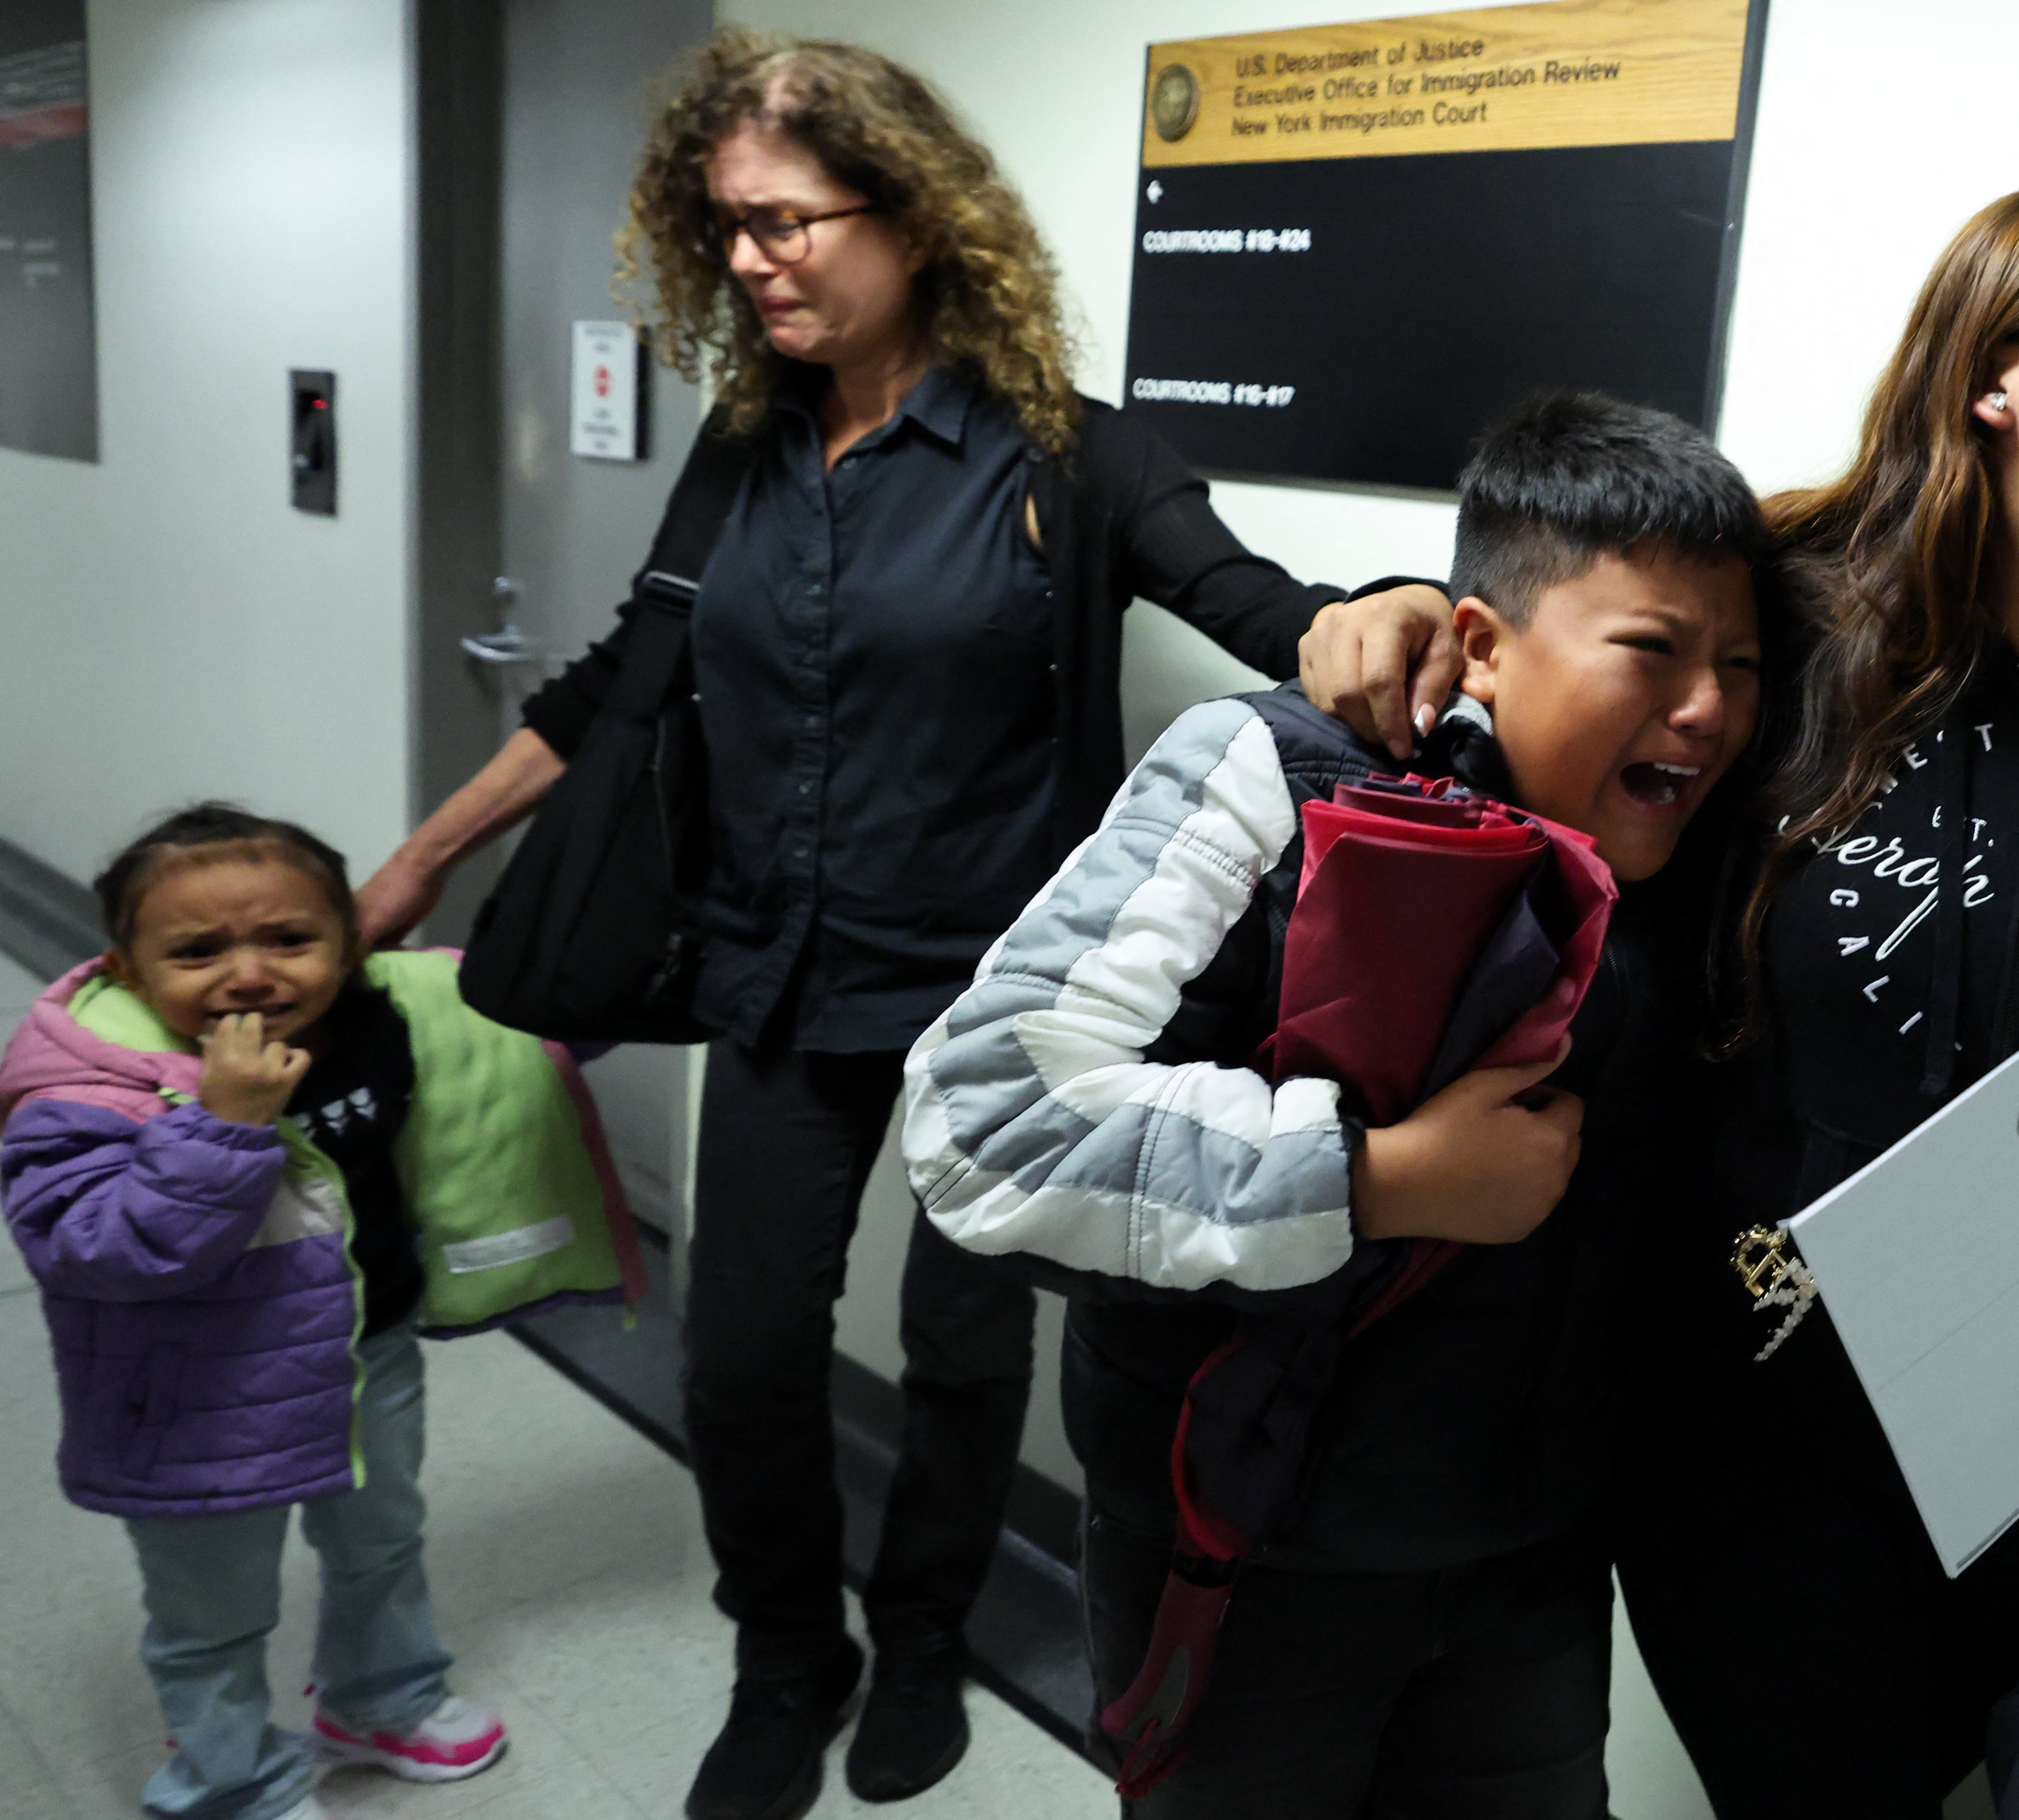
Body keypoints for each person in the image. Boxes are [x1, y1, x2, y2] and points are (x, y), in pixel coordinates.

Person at [353, 32, 1446, 1820]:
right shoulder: (741, 454)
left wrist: (1381, 613)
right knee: (743, 1355)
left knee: (959, 1352)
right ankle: (791, 1654)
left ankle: (925, 1631)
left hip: (995, 1012)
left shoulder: (1062, 455)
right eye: (727, 231)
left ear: (916, 214)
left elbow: (1261, 601)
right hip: (780, 980)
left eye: (789, 221)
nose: (754, 261)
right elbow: (628, 673)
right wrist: (421, 859)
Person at [1298, 172, 2019, 1817]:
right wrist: (1390, 619)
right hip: (1723, 1453)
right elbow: (1559, 671)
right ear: (1994, 371)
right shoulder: (1786, 635)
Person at [898, 392, 1780, 1818]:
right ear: (1484, 642)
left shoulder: (1696, 849)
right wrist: (1376, 1174)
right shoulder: (1278, 770)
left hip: (1533, 1575)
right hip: (1245, 1559)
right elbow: (985, 1112)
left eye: (1739, 663)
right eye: (1654, 650)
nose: (1711, 708)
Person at [0, 804, 645, 1820]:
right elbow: (91, 1244)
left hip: (366, 1348)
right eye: (197, 949)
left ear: (349, 942)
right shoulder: (90, 1077)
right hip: (194, 1396)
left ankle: (381, 1701)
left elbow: (538, 1019)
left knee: (381, 1542)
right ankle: (229, 1779)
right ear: (125, 967)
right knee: (212, 1611)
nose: (249, 974)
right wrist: (222, 1126)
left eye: (289, 939)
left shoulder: (394, 1011)